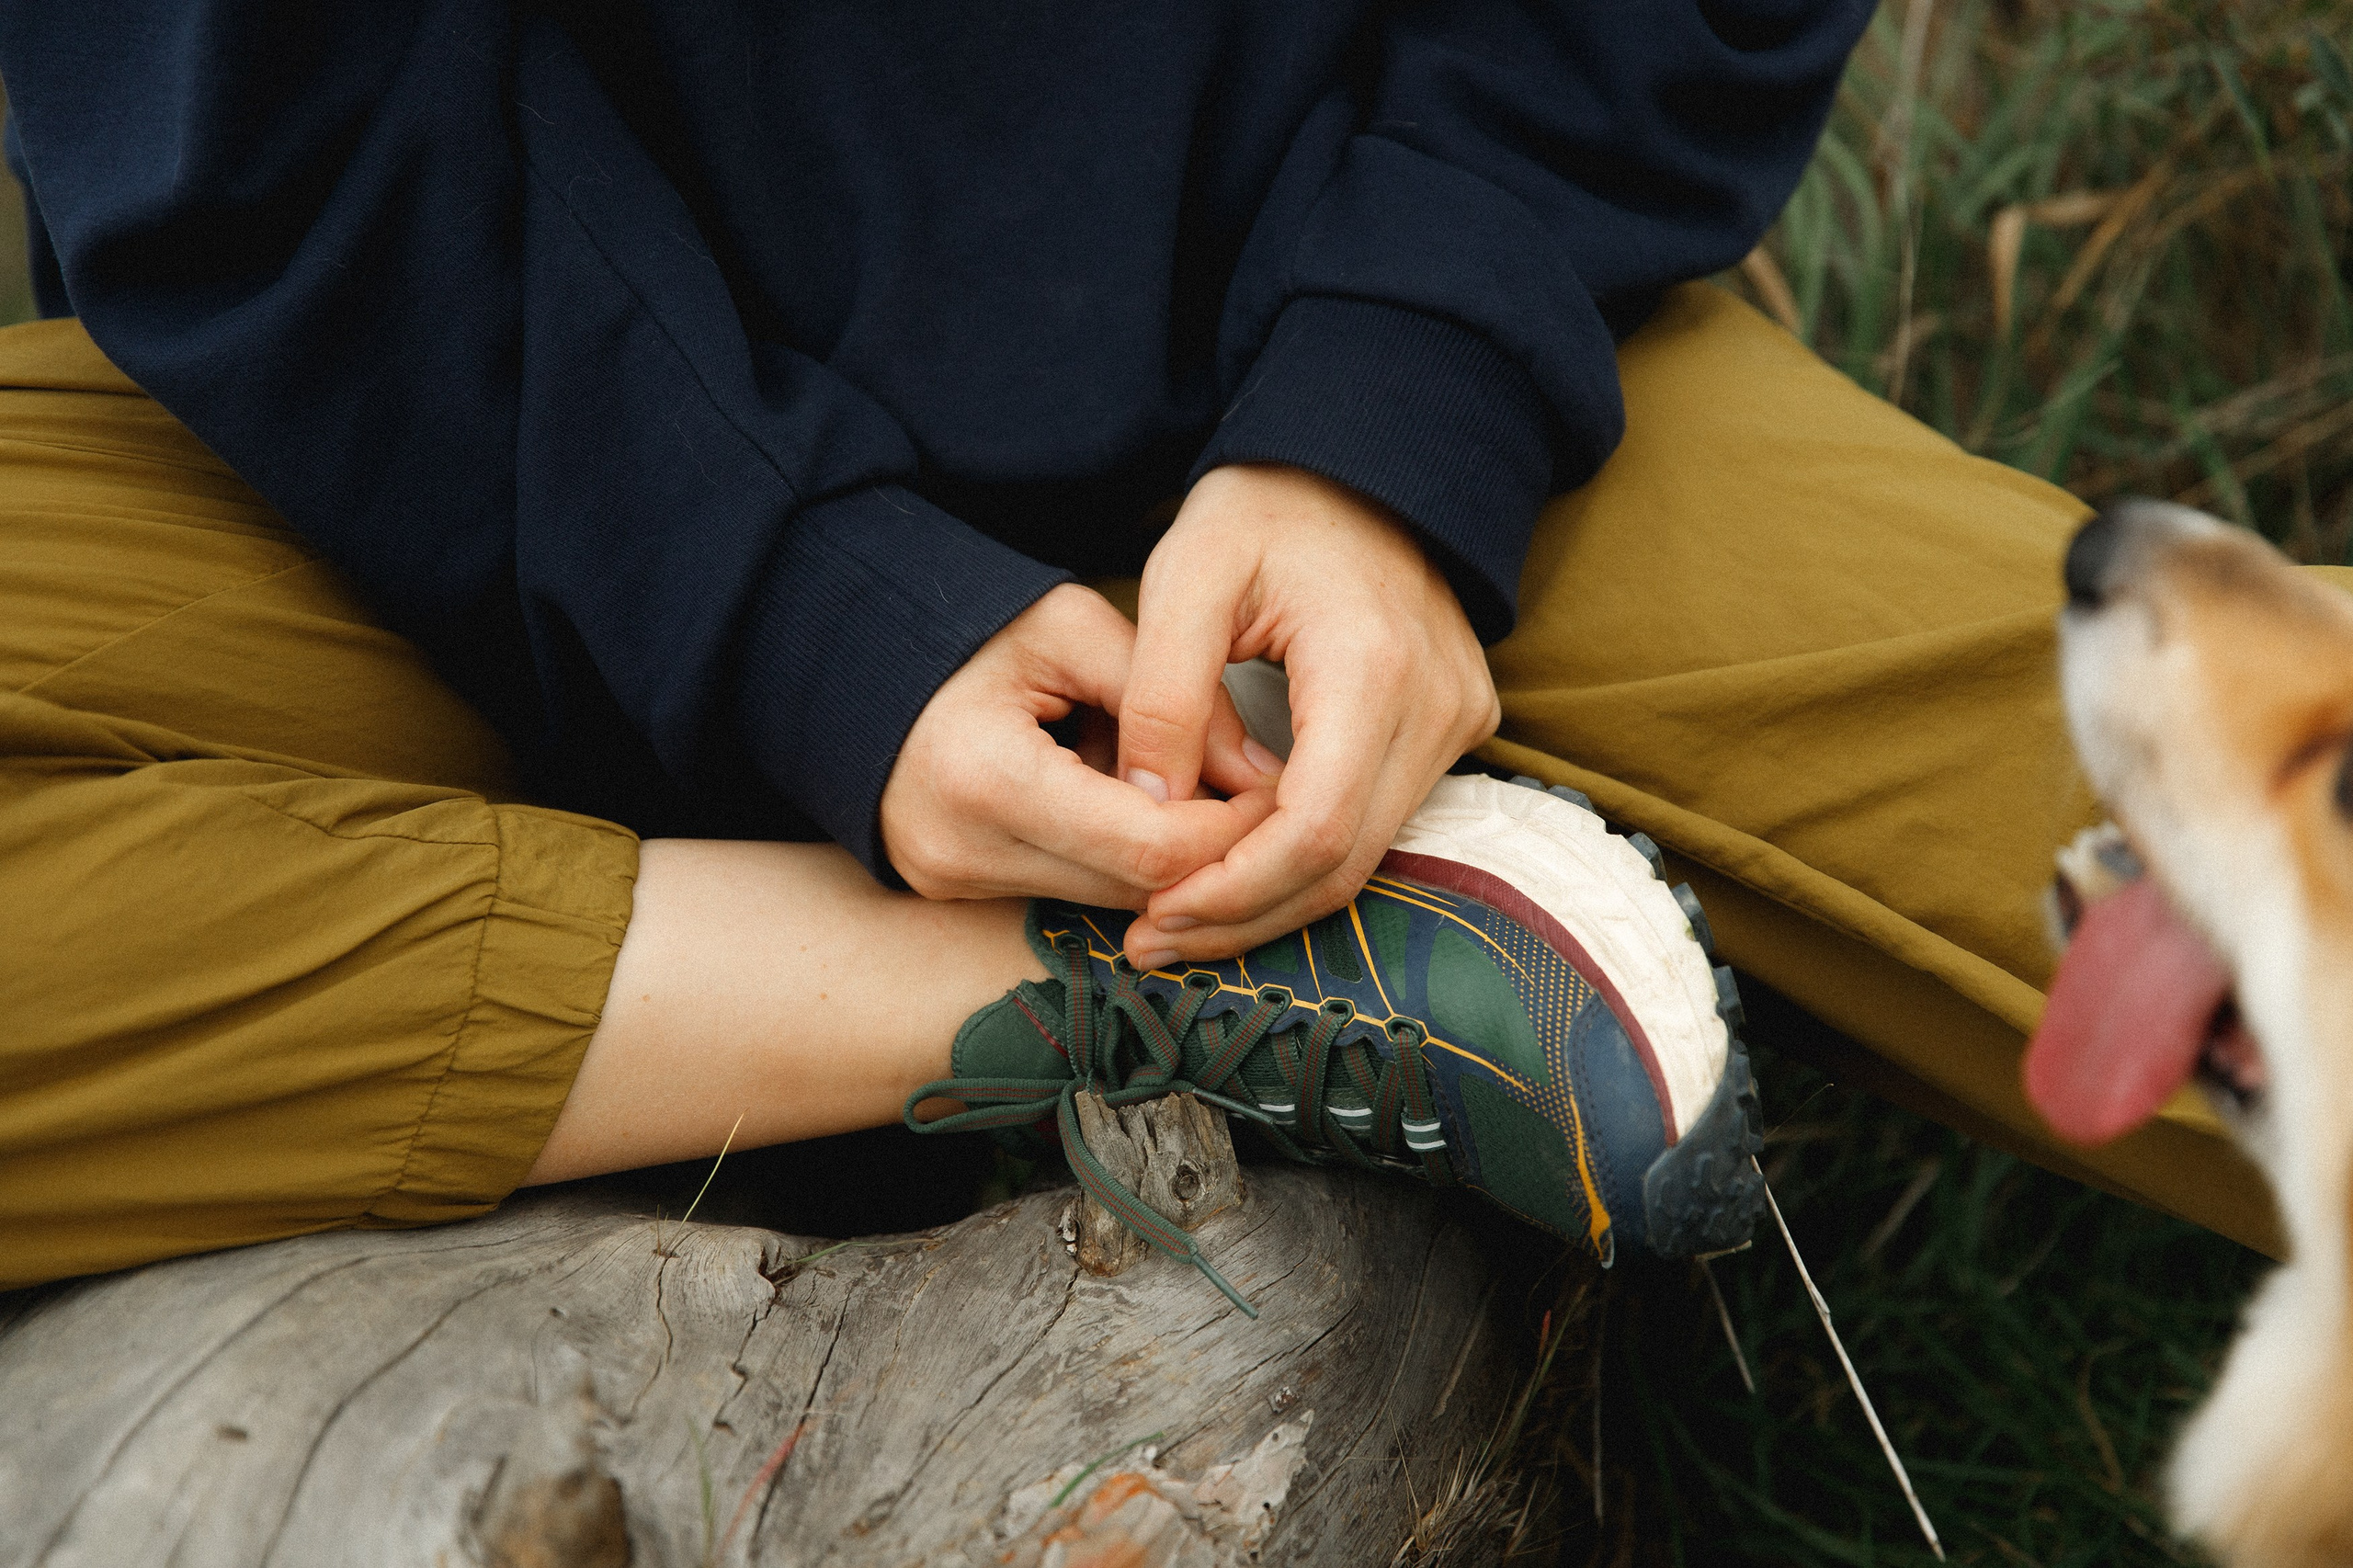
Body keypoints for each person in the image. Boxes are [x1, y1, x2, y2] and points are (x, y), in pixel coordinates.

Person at [0, 0, 2278, 1294]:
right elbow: (228, 108)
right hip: (428, 463)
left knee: (2272, 840)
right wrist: (783, 591)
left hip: (1357, 400)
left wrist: (1402, 390)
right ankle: (1138, 984)